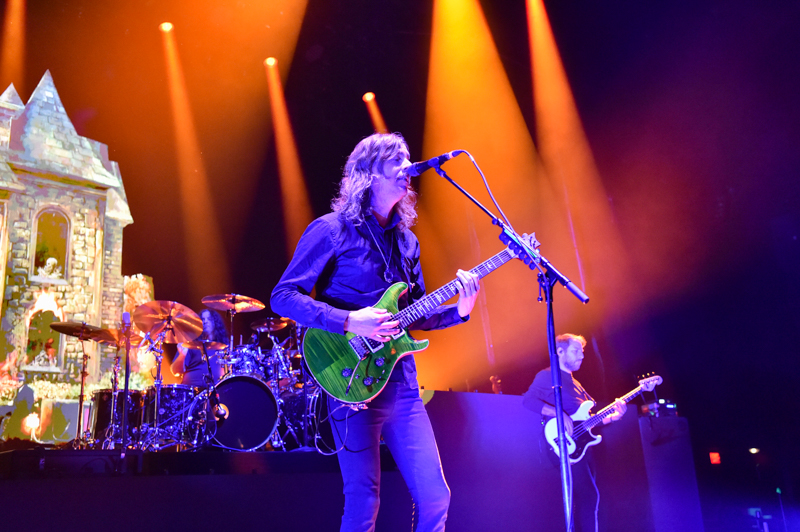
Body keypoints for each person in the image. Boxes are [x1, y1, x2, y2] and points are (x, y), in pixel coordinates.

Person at [271, 132, 481, 532]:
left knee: (436, 494)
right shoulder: (331, 229)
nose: (407, 168)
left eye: (408, 159)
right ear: (368, 172)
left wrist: (460, 312)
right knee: (364, 499)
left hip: (401, 383)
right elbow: (283, 296)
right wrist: (350, 321)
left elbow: (413, 315)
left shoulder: (407, 241)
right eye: (396, 160)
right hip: (348, 379)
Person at [522, 333, 626, 532]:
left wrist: (614, 416)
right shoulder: (547, 375)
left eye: (582, 351)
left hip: (582, 447)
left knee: (586, 498)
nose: (582, 355)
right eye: (575, 350)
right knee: (588, 495)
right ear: (559, 352)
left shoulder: (577, 384)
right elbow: (528, 401)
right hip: (562, 444)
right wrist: (558, 413)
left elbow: (590, 420)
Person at [170, 309, 227, 387]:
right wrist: (182, 355)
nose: (205, 321)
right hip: (192, 392)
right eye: (203, 319)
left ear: (215, 323)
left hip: (216, 392)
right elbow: (175, 371)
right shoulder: (190, 344)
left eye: (209, 319)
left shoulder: (223, 347)